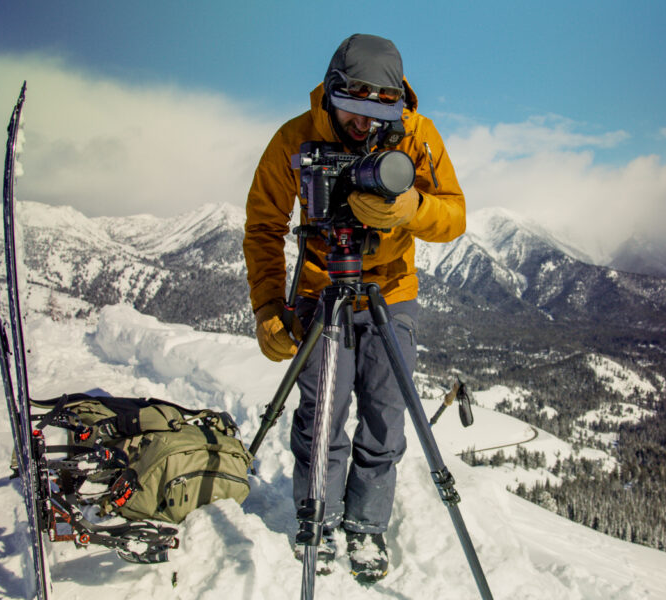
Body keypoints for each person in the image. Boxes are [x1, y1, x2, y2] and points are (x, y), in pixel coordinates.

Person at [243, 33, 465, 582]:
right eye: (352, 111)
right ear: (332, 96)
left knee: (387, 414)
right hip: (322, 288)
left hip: (392, 290)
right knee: (323, 412)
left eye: (376, 115)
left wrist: (410, 208)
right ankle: (315, 513)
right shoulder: (293, 140)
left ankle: (366, 524)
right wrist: (269, 304)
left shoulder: (417, 135)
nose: (364, 126)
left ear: (396, 102)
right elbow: (264, 228)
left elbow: (455, 216)